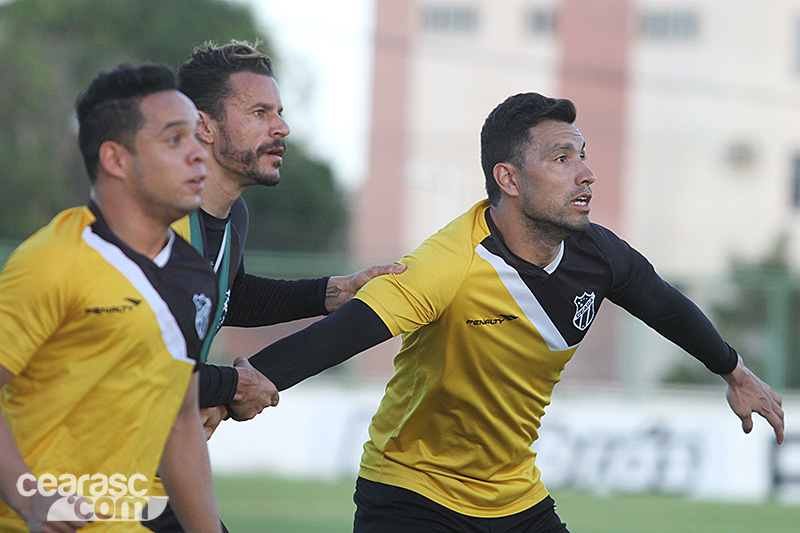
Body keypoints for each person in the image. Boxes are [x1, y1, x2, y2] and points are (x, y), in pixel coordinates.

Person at [246, 93, 785, 532]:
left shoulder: (598, 253)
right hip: (412, 494)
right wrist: (237, 388)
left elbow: (663, 304)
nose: (587, 173)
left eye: (582, 155)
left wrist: (735, 372)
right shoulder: (448, 263)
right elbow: (345, 334)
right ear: (507, 178)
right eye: (561, 158)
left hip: (514, 498)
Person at [140, 41, 404, 533]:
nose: (281, 127)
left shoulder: (232, 215)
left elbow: (226, 295)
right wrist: (232, 384)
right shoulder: (155, 225)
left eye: (279, 112)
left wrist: (330, 292)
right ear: (203, 125)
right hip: (87, 476)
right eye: (259, 112)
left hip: (161, 469)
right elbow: (135, 372)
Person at [0, 64, 222, 532]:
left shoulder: (193, 273)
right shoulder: (51, 261)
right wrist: (30, 499)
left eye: (198, 139)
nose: (200, 155)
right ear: (116, 160)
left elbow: (181, 420)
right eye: (175, 140)